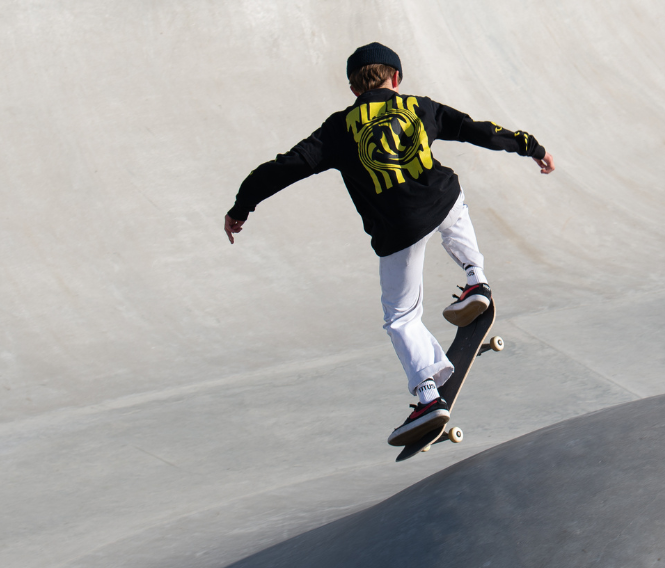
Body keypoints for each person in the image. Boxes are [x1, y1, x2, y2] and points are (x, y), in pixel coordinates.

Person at [223, 42, 555, 447]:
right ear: (396, 78)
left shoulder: (338, 128)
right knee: (451, 197)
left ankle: (428, 396)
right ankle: (475, 278)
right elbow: (478, 131)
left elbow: (285, 167)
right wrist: (531, 146)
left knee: (401, 318)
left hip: (397, 230)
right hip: (440, 199)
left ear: (353, 89)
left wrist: (243, 206)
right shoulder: (420, 107)